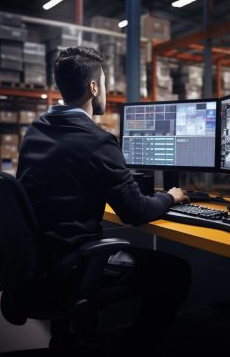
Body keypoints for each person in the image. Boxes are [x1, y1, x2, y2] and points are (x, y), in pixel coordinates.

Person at [16, 46, 191, 356]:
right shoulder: (97, 141)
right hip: (72, 264)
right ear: (94, 87)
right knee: (175, 273)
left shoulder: (36, 131)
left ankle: (67, 341)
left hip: (38, 260)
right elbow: (135, 212)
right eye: (106, 84)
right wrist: (170, 196)